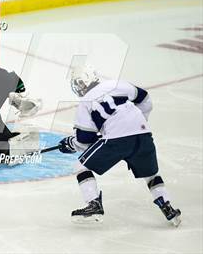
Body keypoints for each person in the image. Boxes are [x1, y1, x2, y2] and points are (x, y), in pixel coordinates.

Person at [58, 64, 181, 226]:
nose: (78, 87)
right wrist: (135, 122)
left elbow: (84, 139)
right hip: (143, 134)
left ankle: (93, 204)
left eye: (79, 83)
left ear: (86, 81)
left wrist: (70, 143)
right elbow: (145, 99)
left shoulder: (85, 102)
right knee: (151, 174)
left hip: (117, 140)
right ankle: (168, 208)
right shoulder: (116, 84)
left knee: (81, 166)